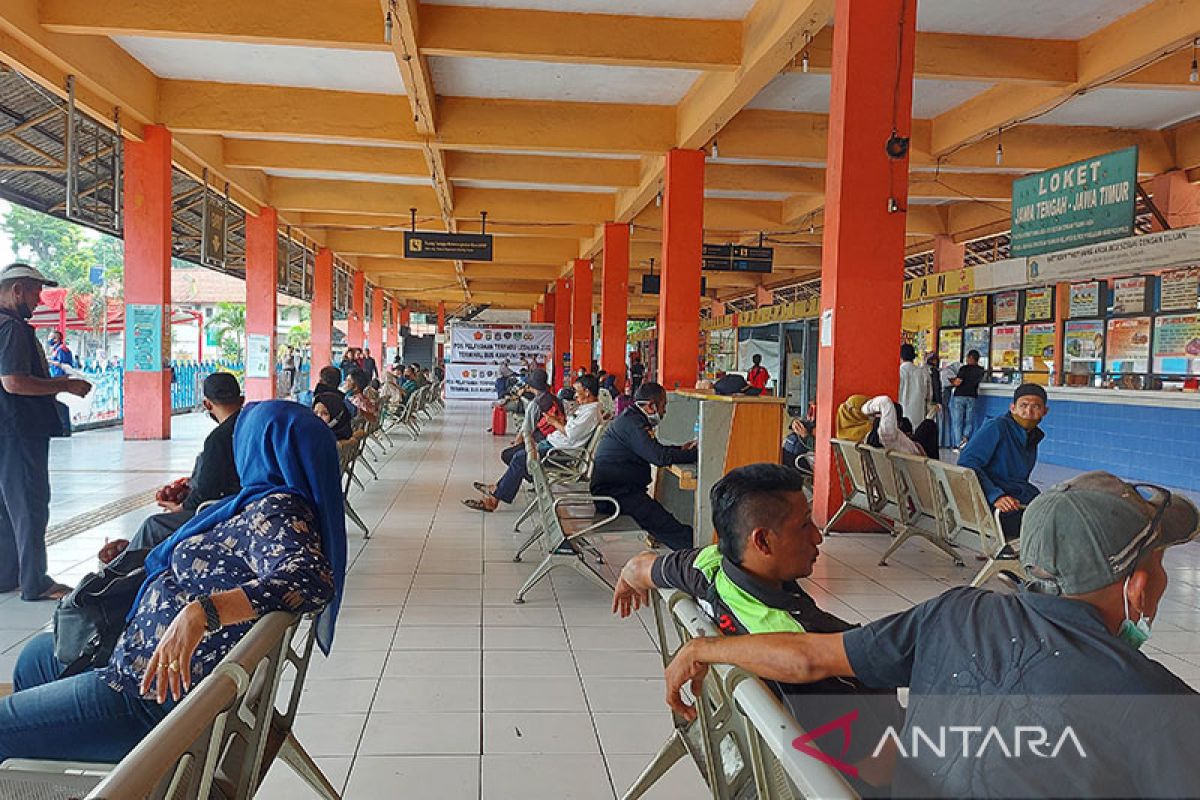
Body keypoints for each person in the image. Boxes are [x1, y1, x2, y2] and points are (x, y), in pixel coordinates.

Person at [661, 471, 1200, 799]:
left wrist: (702, 647)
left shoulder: (954, 613)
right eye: (1159, 561)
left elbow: (810, 658)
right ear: (1136, 585)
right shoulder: (1158, 705)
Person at [0, 401, 346, 762]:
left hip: (146, 698)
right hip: (145, 665)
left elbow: (311, 578)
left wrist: (203, 612)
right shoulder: (262, 502)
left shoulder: (279, 509)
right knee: (35, 658)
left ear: (261, 446)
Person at [613, 463, 901, 791]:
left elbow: (640, 567)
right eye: (804, 525)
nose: (817, 536)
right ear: (762, 541)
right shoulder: (806, 657)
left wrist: (628, 574)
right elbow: (877, 772)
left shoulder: (710, 569)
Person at [0, 263, 92, 602]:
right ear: (17, 290)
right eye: (36, 291)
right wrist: (65, 384)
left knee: (6, 506)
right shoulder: (13, 329)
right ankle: (36, 581)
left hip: (4, 431)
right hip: (18, 429)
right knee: (29, 503)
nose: (40, 299)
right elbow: (14, 382)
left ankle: (7, 575)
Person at [98, 373, 245, 563]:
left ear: (207, 404)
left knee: (153, 525)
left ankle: (119, 573)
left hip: (223, 509)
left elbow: (206, 492)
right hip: (238, 501)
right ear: (241, 399)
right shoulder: (249, 425)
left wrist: (181, 506)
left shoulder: (218, 438)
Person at [465, 374, 603, 512]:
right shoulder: (586, 408)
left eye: (577, 391)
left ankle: (494, 499)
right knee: (514, 456)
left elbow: (572, 434)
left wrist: (554, 422)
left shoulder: (590, 412)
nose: (575, 396)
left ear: (587, 391)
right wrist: (560, 422)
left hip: (559, 453)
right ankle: (504, 488)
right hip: (553, 445)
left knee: (520, 459)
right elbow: (573, 429)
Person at [590, 382, 697, 550]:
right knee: (667, 525)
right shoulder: (632, 423)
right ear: (651, 406)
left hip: (619, 491)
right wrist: (695, 454)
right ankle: (699, 555)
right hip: (615, 497)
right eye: (663, 406)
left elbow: (653, 449)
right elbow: (658, 457)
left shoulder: (632, 418)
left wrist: (679, 450)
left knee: (663, 521)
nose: (664, 412)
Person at [957, 383, 1048, 542]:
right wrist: (995, 496)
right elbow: (967, 463)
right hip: (992, 505)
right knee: (1052, 525)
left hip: (1015, 499)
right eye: (1024, 405)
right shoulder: (998, 427)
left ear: (1045, 411)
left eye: (1036, 407)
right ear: (1013, 408)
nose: (1029, 412)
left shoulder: (1031, 436)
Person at [862, 395, 931, 458]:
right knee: (928, 425)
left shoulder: (869, 437)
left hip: (889, 468)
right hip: (914, 467)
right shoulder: (889, 436)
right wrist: (864, 409)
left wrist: (868, 410)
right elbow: (885, 402)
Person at [950, 349, 986, 448]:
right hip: (972, 396)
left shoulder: (964, 369)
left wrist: (951, 382)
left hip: (960, 396)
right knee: (969, 421)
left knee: (958, 421)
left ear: (970, 358)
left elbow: (958, 382)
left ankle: (958, 444)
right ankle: (965, 439)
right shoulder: (981, 370)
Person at [897, 343, 931, 428]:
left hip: (901, 415)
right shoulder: (923, 373)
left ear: (900, 357)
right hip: (918, 414)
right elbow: (929, 395)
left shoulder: (898, 372)